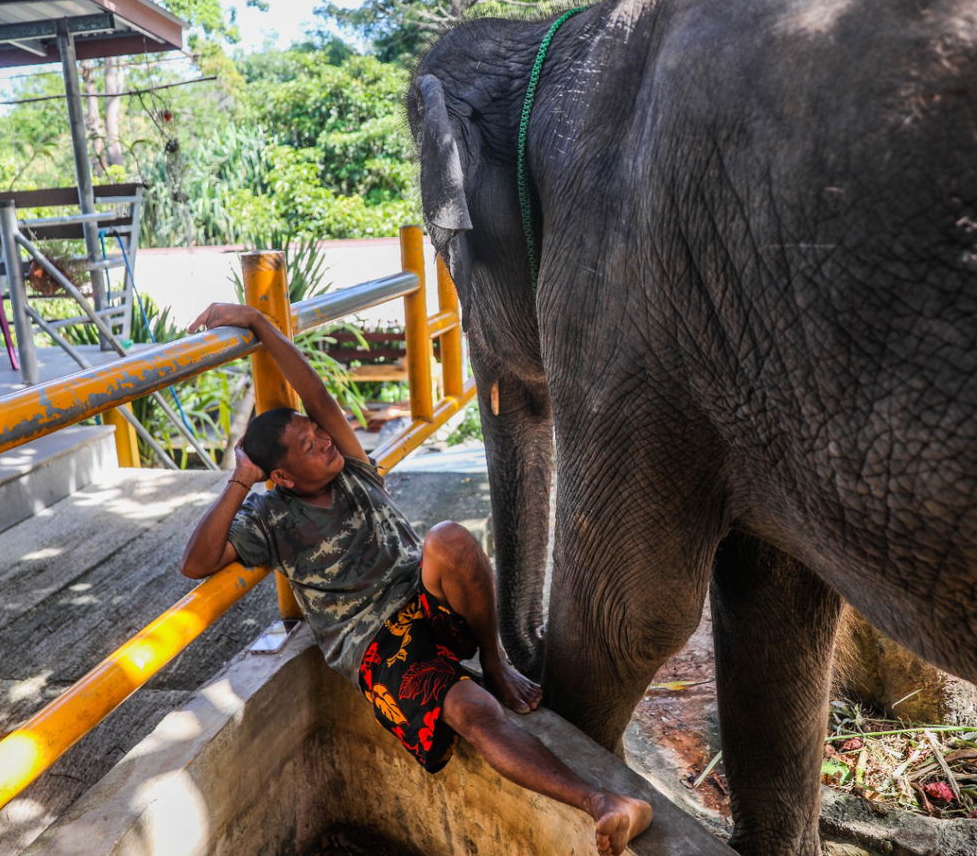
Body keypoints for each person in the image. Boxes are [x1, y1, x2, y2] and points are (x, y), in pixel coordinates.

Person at [180, 303, 652, 855]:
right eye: (309, 446)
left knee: (448, 537)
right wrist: (240, 480)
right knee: (474, 715)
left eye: (319, 434)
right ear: (280, 475)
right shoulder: (269, 519)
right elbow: (197, 561)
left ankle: (495, 663)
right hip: (378, 647)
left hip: (425, 600)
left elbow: (317, 395)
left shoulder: (351, 467)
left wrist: (260, 324)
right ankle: (604, 803)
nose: (325, 440)